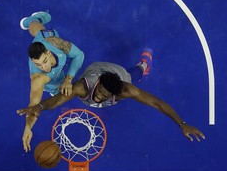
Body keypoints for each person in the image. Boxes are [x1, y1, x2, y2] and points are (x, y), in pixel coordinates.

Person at [17, 48, 205, 152]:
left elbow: (157, 103)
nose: (98, 98)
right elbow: (58, 100)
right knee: (70, 92)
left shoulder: (125, 89)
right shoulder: (82, 87)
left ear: (114, 95)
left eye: (103, 97)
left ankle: (144, 64)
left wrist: (182, 123)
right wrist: (40, 106)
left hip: (119, 74)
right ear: (97, 85)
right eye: (99, 93)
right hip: (96, 69)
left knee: (135, 74)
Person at [19, 11, 84, 152]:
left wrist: (68, 79)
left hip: (45, 39)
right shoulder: (38, 78)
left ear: (48, 53)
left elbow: (79, 55)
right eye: (39, 65)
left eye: (44, 62)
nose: (44, 67)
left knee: (39, 31)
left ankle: (32, 20)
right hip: (50, 84)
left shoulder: (56, 43)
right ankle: (32, 21)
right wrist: (28, 127)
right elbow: (33, 106)